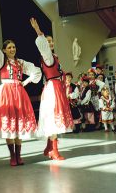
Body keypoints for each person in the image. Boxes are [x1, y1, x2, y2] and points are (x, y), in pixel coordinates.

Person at [0, 15, 42, 166]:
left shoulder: (21, 62)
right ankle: (12, 155)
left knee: (18, 125)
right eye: (9, 47)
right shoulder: (2, 61)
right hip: (6, 93)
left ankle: (19, 155)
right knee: (10, 124)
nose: (12, 49)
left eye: (13, 47)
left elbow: (37, 72)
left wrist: (25, 82)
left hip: (19, 93)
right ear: (4, 50)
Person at [30, 17, 73, 160]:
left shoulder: (54, 57)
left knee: (52, 117)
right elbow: (44, 49)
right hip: (53, 89)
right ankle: (54, 150)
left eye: (51, 41)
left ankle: (49, 147)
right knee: (54, 117)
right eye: (48, 42)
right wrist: (39, 32)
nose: (50, 43)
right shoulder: (48, 57)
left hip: (54, 87)